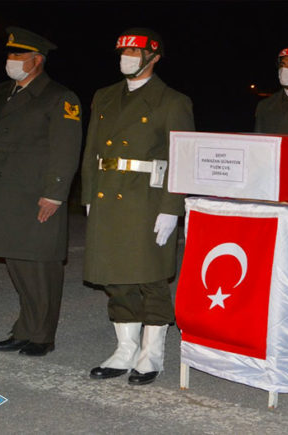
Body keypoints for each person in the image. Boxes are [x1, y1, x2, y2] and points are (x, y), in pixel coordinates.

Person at [82, 28, 194, 385]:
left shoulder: (173, 101)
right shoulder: (104, 95)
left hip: (146, 200)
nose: (126, 57)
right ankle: (124, 349)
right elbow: (91, 151)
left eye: (134, 51)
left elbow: (182, 157)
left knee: (150, 280)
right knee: (115, 278)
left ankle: (151, 355)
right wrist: (87, 196)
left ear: (154, 57)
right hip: (108, 196)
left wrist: (171, 208)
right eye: (123, 51)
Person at [0, 27, 82, 357]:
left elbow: (66, 149)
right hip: (6, 194)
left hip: (37, 195)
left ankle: (42, 336)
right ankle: (24, 329)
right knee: (18, 265)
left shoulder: (60, 97)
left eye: (19, 56)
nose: (12, 61)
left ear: (38, 61)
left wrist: (55, 194)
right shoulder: (1, 92)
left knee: (40, 267)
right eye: (10, 55)